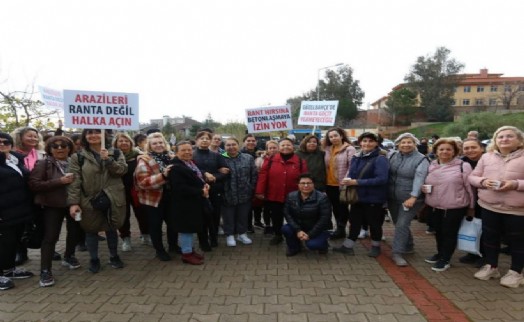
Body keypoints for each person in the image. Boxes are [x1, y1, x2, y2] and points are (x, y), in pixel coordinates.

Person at [469, 126, 524, 288]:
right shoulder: (487, 157)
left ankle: (516, 272)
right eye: (500, 137)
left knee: (517, 241)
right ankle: (491, 266)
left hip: (517, 209)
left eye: (509, 136)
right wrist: (483, 182)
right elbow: (472, 177)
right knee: (490, 238)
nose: (504, 139)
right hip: (489, 206)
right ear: (495, 140)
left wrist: (515, 184)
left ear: (519, 140)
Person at [67, 129, 127, 273]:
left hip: (112, 198)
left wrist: (108, 160)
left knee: (112, 227)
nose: (93, 135)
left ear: (104, 135)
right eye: (89, 133)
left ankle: (114, 256)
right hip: (89, 199)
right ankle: (94, 259)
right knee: (90, 229)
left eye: (96, 132)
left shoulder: (116, 153)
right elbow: (75, 181)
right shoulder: (78, 157)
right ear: (84, 137)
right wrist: (74, 203)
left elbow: (121, 171)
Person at [29, 136, 83, 287]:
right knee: (51, 237)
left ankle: (69, 256)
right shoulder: (43, 163)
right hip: (52, 205)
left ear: (69, 147)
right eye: (55, 146)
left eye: (63, 145)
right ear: (50, 149)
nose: (60, 148)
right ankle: (45, 270)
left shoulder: (76, 161)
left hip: (75, 204)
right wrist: (59, 182)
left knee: (75, 231)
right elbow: (34, 184)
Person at [421, 138, 475, 272]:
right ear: (436, 151)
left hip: (454, 207)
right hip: (434, 205)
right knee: (438, 232)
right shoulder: (432, 164)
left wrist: (472, 207)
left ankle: (445, 259)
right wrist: (425, 188)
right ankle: (440, 253)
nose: (445, 152)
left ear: (454, 152)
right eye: (441, 149)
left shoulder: (463, 166)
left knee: (449, 233)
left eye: (448, 149)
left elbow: (470, 188)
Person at [334, 132, 389, 257]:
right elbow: (353, 173)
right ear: (360, 143)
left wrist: (356, 182)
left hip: (373, 197)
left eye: (371, 141)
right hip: (357, 197)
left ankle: (376, 246)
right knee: (355, 221)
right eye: (364, 141)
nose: (367, 143)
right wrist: (348, 180)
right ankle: (347, 246)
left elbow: (381, 179)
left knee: (374, 223)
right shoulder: (356, 157)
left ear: (376, 143)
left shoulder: (380, 159)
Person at [256, 138, 308, 245]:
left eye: (288, 145)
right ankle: (278, 235)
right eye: (283, 145)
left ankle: (295, 236)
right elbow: (263, 176)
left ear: (293, 147)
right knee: (276, 217)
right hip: (274, 194)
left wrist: (305, 193)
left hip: (294, 196)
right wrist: (260, 191)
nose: (285, 147)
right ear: (279, 147)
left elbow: (305, 178)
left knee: (294, 217)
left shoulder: (300, 161)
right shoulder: (270, 160)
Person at [388, 133, 429, 267]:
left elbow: (420, 178)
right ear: (398, 144)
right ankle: (409, 245)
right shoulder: (393, 155)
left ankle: (397, 252)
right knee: (398, 223)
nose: (406, 145)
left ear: (415, 144)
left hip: (410, 198)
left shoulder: (421, 159)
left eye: (409, 142)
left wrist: (413, 196)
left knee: (401, 224)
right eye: (403, 142)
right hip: (393, 196)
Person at [0, 132, 35, 291]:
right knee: (3, 242)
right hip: (3, 212)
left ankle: (9, 269)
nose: (2, 144)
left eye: (6, 141)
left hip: (19, 210)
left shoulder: (15, 160)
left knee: (12, 242)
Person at [134, 132, 176, 261]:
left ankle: (173, 246)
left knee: (173, 223)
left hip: (171, 196)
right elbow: (143, 182)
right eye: (155, 143)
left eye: (160, 142)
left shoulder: (171, 157)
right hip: (154, 198)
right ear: (149, 146)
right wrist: (163, 176)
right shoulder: (144, 160)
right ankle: (159, 250)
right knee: (156, 225)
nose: (158, 145)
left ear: (165, 143)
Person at [169, 141, 209, 265]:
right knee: (186, 229)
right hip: (183, 204)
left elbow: (197, 178)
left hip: (192, 202)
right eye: (183, 150)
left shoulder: (189, 163)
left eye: (189, 150)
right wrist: (200, 191)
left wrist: (204, 184)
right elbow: (180, 188)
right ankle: (186, 254)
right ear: (176, 153)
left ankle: (190, 250)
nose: (187, 152)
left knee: (191, 228)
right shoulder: (175, 167)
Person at [10, 126, 46, 265]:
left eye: (35, 136)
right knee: (22, 225)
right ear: (20, 137)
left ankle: (47, 249)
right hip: (20, 195)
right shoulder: (11, 155)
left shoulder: (41, 154)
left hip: (39, 194)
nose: (33, 138)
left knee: (42, 223)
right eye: (29, 136)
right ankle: (21, 252)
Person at [113, 132, 150, 251]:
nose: (124, 143)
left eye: (126, 141)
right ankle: (126, 239)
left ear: (131, 143)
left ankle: (145, 235)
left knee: (142, 214)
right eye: (121, 141)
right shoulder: (111, 156)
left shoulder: (139, 155)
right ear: (116, 143)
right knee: (123, 216)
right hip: (119, 191)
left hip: (136, 190)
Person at [193, 131, 229, 250]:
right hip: (199, 190)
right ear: (197, 140)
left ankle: (213, 238)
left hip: (215, 189)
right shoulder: (192, 155)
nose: (204, 140)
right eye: (201, 138)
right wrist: (204, 174)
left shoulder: (217, 156)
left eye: (207, 138)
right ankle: (203, 241)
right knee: (201, 216)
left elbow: (225, 172)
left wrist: (214, 177)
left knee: (215, 215)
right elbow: (190, 171)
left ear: (210, 141)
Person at [282, 173, 332, 256]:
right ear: (298, 185)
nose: (306, 185)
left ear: (313, 184)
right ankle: (294, 247)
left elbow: (324, 219)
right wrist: (298, 230)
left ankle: (324, 245)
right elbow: (287, 214)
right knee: (285, 229)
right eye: (302, 183)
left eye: (309, 183)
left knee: (312, 245)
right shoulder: (291, 196)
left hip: (318, 229)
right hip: (300, 227)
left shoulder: (322, 198)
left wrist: (310, 234)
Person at [221, 138, 258, 247]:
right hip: (227, 193)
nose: (231, 147)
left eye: (234, 144)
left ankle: (242, 234)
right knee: (228, 216)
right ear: (224, 147)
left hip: (244, 193)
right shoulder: (220, 158)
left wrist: (251, 188)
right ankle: (230, 235)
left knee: (242, 215)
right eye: (228, 145)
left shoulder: (248, 158)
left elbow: (254, 175)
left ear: (238, 145)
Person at [322, 127, 357, 240]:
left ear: (341, 136)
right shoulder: (328, 149)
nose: (333, 138)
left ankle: (341, 229)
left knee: (343, 208)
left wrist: (346, 181)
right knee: (335, 208)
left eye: (335, 135)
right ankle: (338, 228)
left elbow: (352, 166)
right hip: (329, 184)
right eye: (330, 137)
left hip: (342, 184)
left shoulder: (349, 149)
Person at [459, 138, 486, 266]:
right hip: (470, 199)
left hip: (485, 200)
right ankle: (472, 252)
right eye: (466, 148)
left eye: (473, 147)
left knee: (485, 229)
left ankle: (485, 256)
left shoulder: (488, 161)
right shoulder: (462, 162)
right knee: (472, 226)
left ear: (482, 148)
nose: (470, 150)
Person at [254, 140, 279, 233]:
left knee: (276, 209)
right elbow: (258, 173)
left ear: (278, 148)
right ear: (267, 149)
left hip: (277, 187)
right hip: (266, 188)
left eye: (274, 147)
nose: (272, 149)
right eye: (270, 148)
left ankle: (276, 226)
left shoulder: (281, 158)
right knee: (267, 208)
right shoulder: (261, 159)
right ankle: (267, 225)